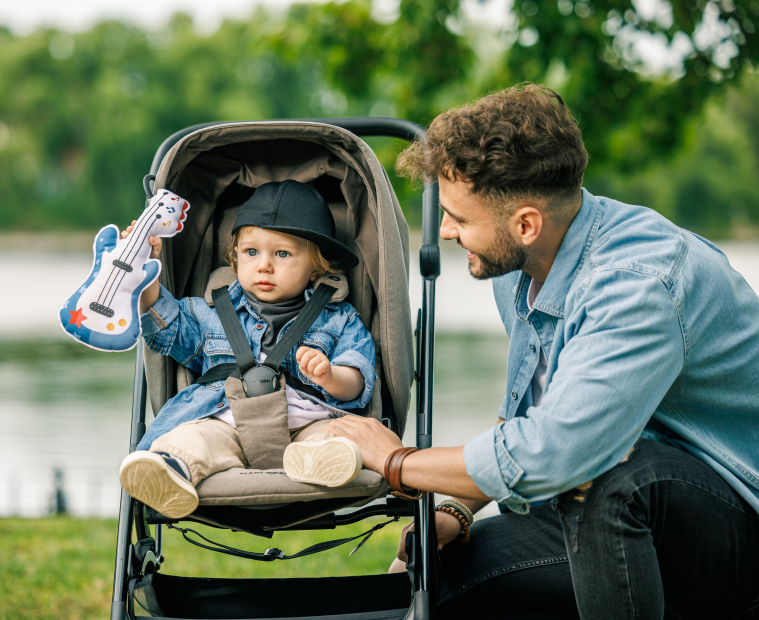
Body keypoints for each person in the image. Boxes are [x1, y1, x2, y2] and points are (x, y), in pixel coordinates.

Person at [325, 84, 759, 619]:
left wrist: (396, 460)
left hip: (734, 529)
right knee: (439, 577)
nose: (444, 231)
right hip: (605, 510)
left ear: (525, 223)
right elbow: (529, 419)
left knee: (608, 477)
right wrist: (459, 508)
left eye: (458, 218)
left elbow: (558, 452)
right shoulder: (523, 263)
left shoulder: (636, 283)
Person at [118, 180, 376, 519]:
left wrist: (330, 375)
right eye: (251, 252)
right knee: (197, 438)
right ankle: (171, 469)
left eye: (282, 254)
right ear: (235, 257)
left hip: (304, 422)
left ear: (316, 265)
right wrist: (144, 272)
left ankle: (320, 461)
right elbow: (166, 324)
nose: (264, 265)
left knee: (332, 436)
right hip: (227, 421)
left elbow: (358, 379)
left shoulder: (337, 317)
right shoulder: (211, 311)